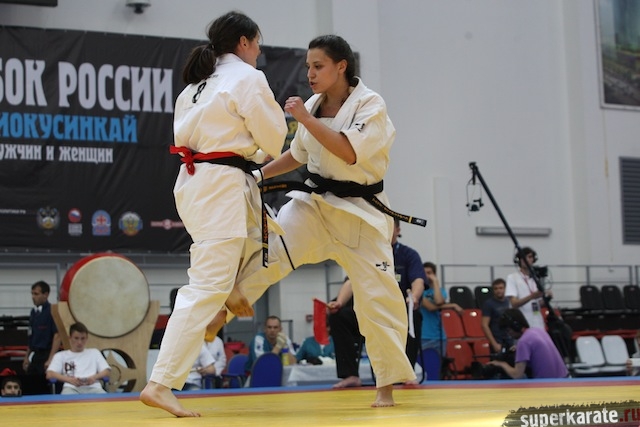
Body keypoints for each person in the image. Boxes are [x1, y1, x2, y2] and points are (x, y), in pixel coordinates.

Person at [218, 34, 417, 407]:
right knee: (272, 250)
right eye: (308, 66)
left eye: (318, 66)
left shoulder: (370, 105)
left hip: (361, 213)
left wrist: (305, 118)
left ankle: (386, 387)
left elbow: (347, 151)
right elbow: (297, 154)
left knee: (378, 299)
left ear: (341, 66)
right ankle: (223, 309)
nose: (309, 73)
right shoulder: (312, 103)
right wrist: (259, 175)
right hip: (315, 205)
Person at [139, 11, 287, 417]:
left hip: (199, 182)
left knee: (268, 242)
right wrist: (260, 147)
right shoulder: (247, 78)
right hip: (220, 186)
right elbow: (274, 138)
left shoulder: (195, 86)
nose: (258, 52)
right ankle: (160, 383)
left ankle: (231, 285)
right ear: (244, 42)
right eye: (257, 44)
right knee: (204, 287)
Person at [327, 219, 426, 388]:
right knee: (339, 317)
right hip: (370, 310)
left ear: (398, 230)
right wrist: (339, 302)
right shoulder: (367, 253)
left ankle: (407, 374)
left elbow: (418, 280)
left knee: (414, 316)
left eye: (389, 227)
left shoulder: (409, 255)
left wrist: (414, 297)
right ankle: (350, 374)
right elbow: (351, 281)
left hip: (397, 312)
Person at [487, 309, 568, 379]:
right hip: (565, 379)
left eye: (508, 330)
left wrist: (502, 364)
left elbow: (517, 375)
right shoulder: (538, 330)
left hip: (548, 386)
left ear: (516, 326)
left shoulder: (523, 342)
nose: (509, 334)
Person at [46, 322, 111, 394]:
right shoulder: (61, 355)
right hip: (71, 388)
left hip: (93, 387)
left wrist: (94, 377)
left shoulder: (94, 352)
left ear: (86, 339)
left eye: (83, 338)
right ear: (70, 338)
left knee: (105, 399)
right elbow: (50, 374)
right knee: (66, 398)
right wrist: (69, 380)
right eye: (76, 338)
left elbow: (106, 372)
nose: (79, 342)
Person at [420, 262, 463, 358]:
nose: (426, 275)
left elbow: (439, 301)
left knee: (439, 364)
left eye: (429, 273)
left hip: (439, 336)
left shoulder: (441, 291)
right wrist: (452, 305)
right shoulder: (418, 291)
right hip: (423, 336)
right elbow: (430, 307)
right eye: (424, 273)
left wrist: (435, 282)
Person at [22, 281, 61, 376]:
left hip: (46, 353)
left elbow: (57, 336)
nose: (33, 297)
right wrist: (27, 356)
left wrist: (51, 359)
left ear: (45, 295)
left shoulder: (52, 311)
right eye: (32, 294)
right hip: (35, 354)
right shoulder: (33, 312)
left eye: (36, 294)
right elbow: (31, 337)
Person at [505, 247, 549, 330]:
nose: (527, 259)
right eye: (524, 257)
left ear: (533, 259)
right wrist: (531, 296)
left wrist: (547, 298)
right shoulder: (512, 278)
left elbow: (538, 304)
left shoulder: (536, 279)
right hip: (523, 324)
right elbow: (514, 304)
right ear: (519, 260)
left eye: (530, 257)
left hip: (538, 323)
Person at [481, 278, 513, 354]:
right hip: (497, 340)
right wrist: (494, 344)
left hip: (510, 340)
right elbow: (484, 325)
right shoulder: (488, 304)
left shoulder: (509, 302)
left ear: (505, 289)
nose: (498, 291)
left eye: (501, 288)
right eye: (496, 288)